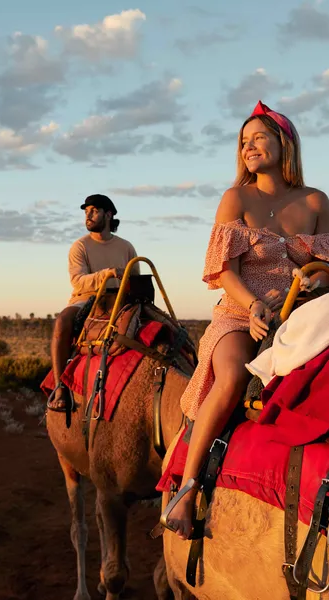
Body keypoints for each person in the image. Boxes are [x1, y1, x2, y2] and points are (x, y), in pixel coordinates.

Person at [164, 100, 329, 540]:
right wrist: (254, 306)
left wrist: (317, 280)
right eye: (243, 141)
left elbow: (326, 265)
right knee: (234, 376)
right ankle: (188, 486)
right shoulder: (236, 198)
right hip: (241, 311)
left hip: (299, 311)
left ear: (285, 143)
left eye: (258, 137)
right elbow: (224, 271)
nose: (249, 146)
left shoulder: (316, 200)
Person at [50, 193, 140, 409]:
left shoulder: (126, 246)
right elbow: (78, 281)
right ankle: (60, 388)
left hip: (121, 301)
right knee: (63, 322)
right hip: (88, 300)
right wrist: (108, 274)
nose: (88, 216)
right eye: (86, 212)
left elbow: (136, 279)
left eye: (94, 211)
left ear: (108, 214)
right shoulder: (80, 246)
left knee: (163, 328)